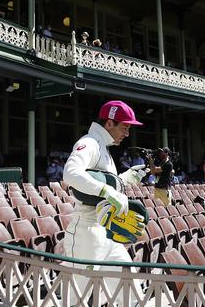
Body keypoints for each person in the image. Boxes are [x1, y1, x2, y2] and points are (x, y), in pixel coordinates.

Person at [62, 100, 148, 303]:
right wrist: (107, 191)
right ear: (109, 123)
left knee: (131, 289)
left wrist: (127, 177)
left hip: (108, 230)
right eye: (125, 127)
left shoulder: (105, 148)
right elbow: (71, 173)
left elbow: (106, 183)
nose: (127, 133)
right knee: (77, 299)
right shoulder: (90, 142)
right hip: (86, 232)